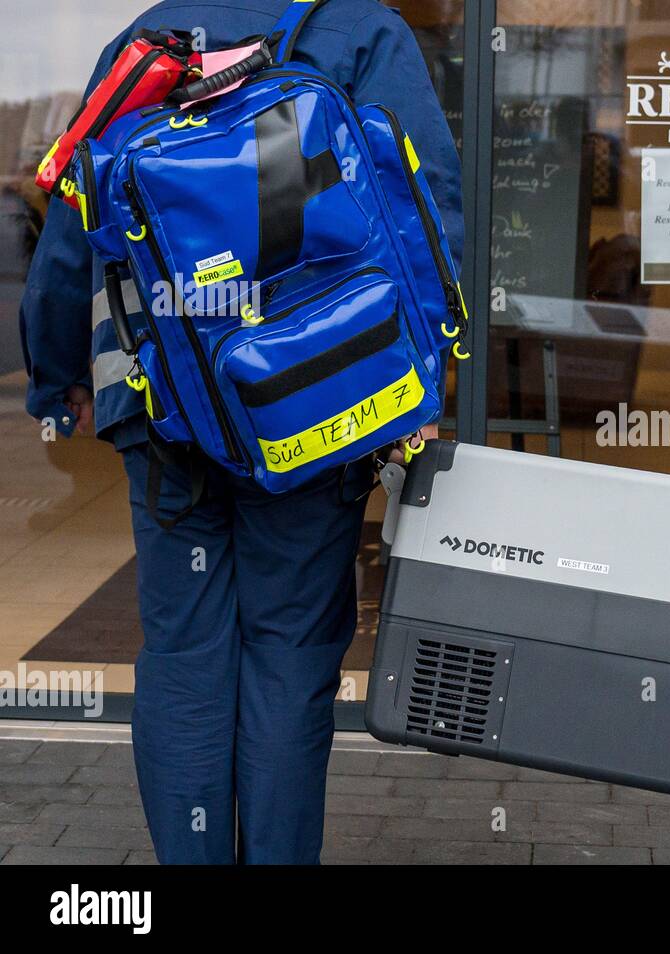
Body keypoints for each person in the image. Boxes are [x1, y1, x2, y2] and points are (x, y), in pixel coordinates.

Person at [20, 0, 462, 864]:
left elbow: (73, 220)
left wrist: (59, 376)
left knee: (186, 653)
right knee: (290, 654)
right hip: (309, 403)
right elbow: (424, 199)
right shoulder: (364, 33)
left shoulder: (147, 38)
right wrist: (425, 373)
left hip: (168, 404)